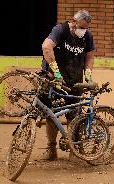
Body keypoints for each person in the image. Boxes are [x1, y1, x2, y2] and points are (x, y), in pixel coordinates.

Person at [40, 9, 95, 160]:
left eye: (86, 28)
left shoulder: (87, 36)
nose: (83, 31)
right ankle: (51, 149)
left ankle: (73, 150)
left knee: (74, 116)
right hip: (55, 81)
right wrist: (56, 73)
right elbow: (46, 47)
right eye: (81, 27)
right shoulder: (61, 30)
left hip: (75, 82)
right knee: (52, 116)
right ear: (73, 21)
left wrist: (88, 77)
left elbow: (89, 57)